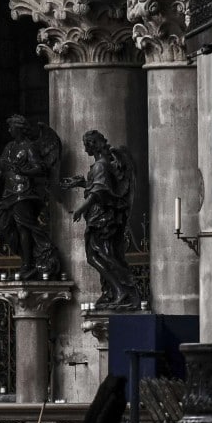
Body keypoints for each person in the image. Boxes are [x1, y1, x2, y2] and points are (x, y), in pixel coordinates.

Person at [62, 129, 143, 310]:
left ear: (93, 145)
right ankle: (115, 291)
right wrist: (81, 183)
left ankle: (120, 290)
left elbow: (99, 191)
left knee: (100, 255)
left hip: (102, 217)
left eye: (86, 146)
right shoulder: (103, 164)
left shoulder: (100, 166)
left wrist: (81, 209)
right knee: (101, 254)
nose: (84, 150)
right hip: (101, 216)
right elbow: (102, 187)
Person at [0, 114, 61, 281]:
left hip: (24, 193)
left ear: (18, 128)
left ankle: (28, 264)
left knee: (23, 228)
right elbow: (2, 170)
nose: (9, 130)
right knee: (4, 227)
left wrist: (24, 171)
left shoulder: (29, 147)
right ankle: (29, 258)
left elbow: (40, 168)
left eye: (11, 127)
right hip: (9, 193)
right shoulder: (9, 147)